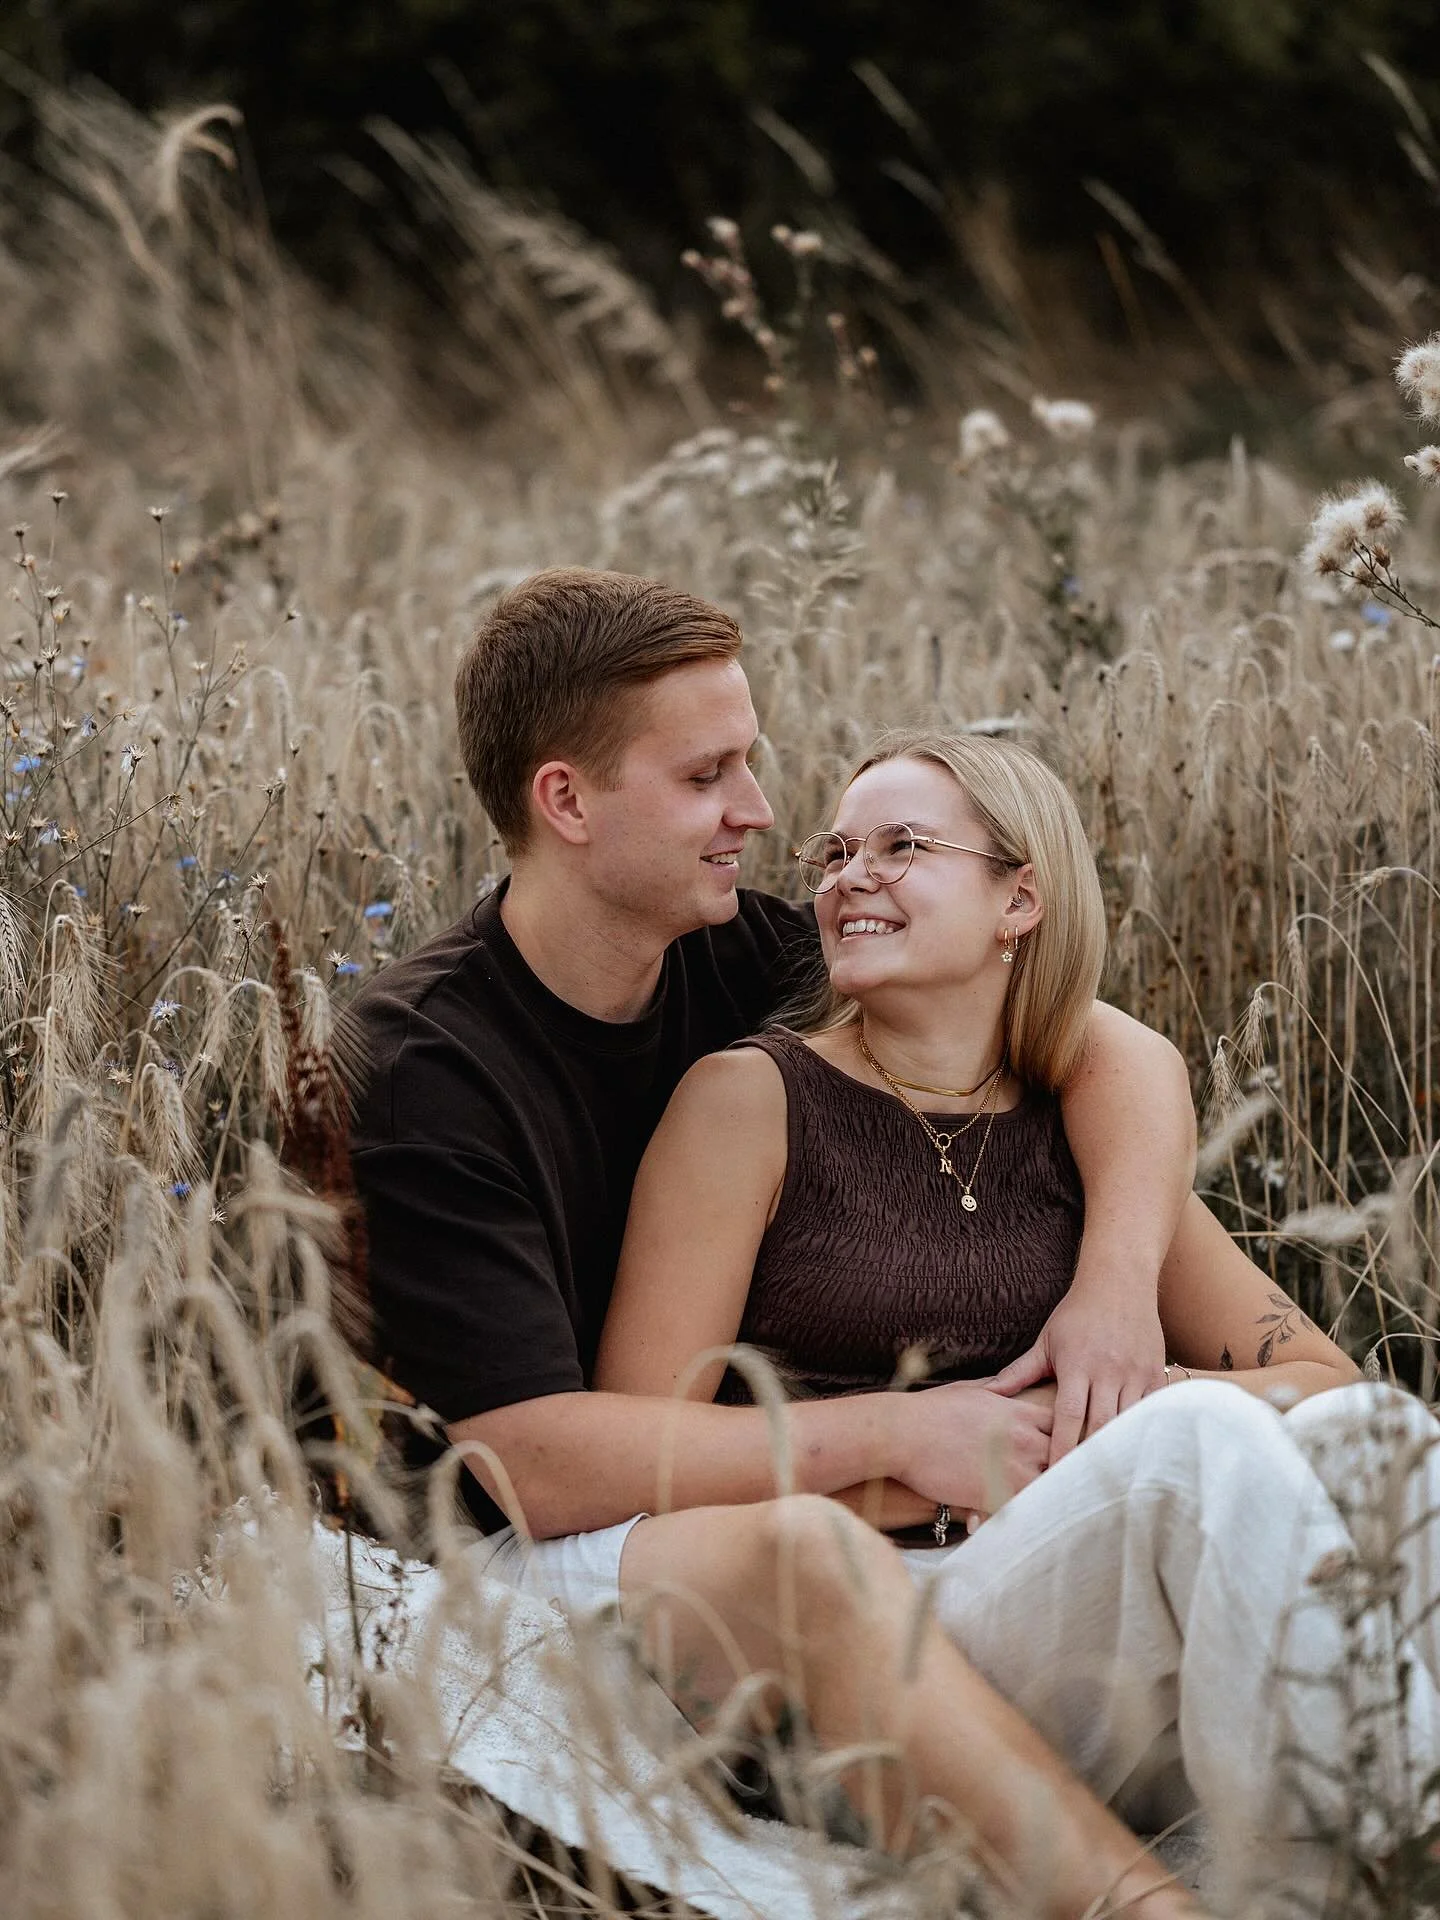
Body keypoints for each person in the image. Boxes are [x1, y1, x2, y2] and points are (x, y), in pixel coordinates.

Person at [337, 566, 1212, 1915]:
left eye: (748, 760)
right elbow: (524, 1458)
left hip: (710, 1492)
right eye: (707, 777)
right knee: (810, 1548)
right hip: (486, 1552)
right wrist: (896, 1436)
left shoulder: (739, 951)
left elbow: (1109, 1044)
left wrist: (1111, 1288)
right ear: (565, 801)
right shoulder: (424, 1069)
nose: (757, 809)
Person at [594, 729, 1440, 1905]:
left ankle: (1366, 1856)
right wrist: (948, 1464)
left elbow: (1341, 1398)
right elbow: (636, 1462)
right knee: (1197, 1451)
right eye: (835, 851)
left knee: (1388, 1445)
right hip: (879, 1652)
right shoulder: (751, 1101)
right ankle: (1382, 1867)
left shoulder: (1086, 1128)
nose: (848, 876)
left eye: (903, 846)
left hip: (1080, 1631)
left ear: (1019, 900)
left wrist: (1088, 1406)